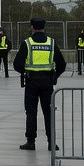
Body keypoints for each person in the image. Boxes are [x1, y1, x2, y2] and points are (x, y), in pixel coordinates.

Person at [13, 17, 66, 150]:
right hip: (47, 81)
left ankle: (31, 141)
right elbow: (62, 64)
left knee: (31, 112)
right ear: (44, 27)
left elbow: (17, 64)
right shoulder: (51, 43)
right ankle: (51, 142)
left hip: (32, 81)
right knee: (48, 112)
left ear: (32, 27)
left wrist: (25, 72)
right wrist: (54, 76)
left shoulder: (28, 43)